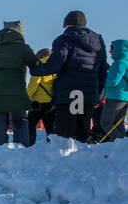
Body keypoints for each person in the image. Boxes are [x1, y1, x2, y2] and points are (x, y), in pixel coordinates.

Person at [43, 10, 107, 142]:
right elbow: (102, 70)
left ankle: (66, 158)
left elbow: (54, 65)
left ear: (67, 24)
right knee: (83, 130)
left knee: (66, 132)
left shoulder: (64, 40)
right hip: (88, 92)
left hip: (69, 93)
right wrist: (99, 93)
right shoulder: (98, 40)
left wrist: (35, 67)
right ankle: (84, 159)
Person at [0, 20, 38, 147]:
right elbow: (36, 65)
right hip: (15, 91)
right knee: (19, 122)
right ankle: (20, 153)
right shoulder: (23, 48)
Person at [102, 39, 128, 141]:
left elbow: (112, 81)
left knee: (105, 122)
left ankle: (119, 141)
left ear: (119, 49)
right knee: (118, 123)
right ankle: (121, 144)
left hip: (115, 96)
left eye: (111, 48)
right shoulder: (126, 61)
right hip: (124, 97)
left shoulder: (119, 63)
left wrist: (101, 82)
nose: (110, 51)